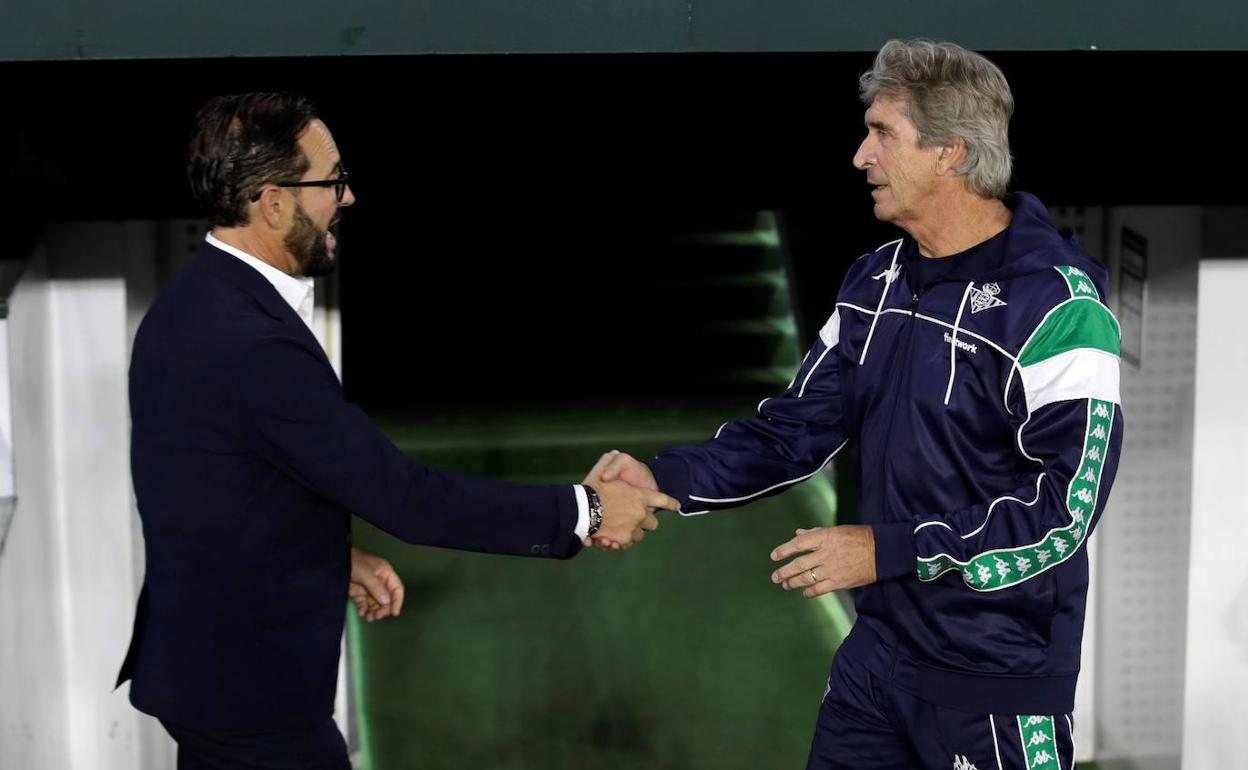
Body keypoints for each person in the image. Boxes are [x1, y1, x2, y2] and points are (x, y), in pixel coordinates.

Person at [593, 39, 1123, 770]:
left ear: (951, 154)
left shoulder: (1059, 309)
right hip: (876, 660)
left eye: (882, 133)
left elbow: (1066, 512)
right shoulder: (875, 282)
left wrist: (886, 551)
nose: (859, 156)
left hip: (992, 683)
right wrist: (666, 480)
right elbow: (795, 431)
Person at [116, 92, 677, 770]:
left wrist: (330, 557)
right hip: (255, 701)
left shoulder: (188, 304)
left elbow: (216, 485)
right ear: (272, 202)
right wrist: (585, 510)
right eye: (332, 181)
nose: (348, 198)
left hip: (208, 678)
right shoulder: (250, 342)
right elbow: (405, 497)